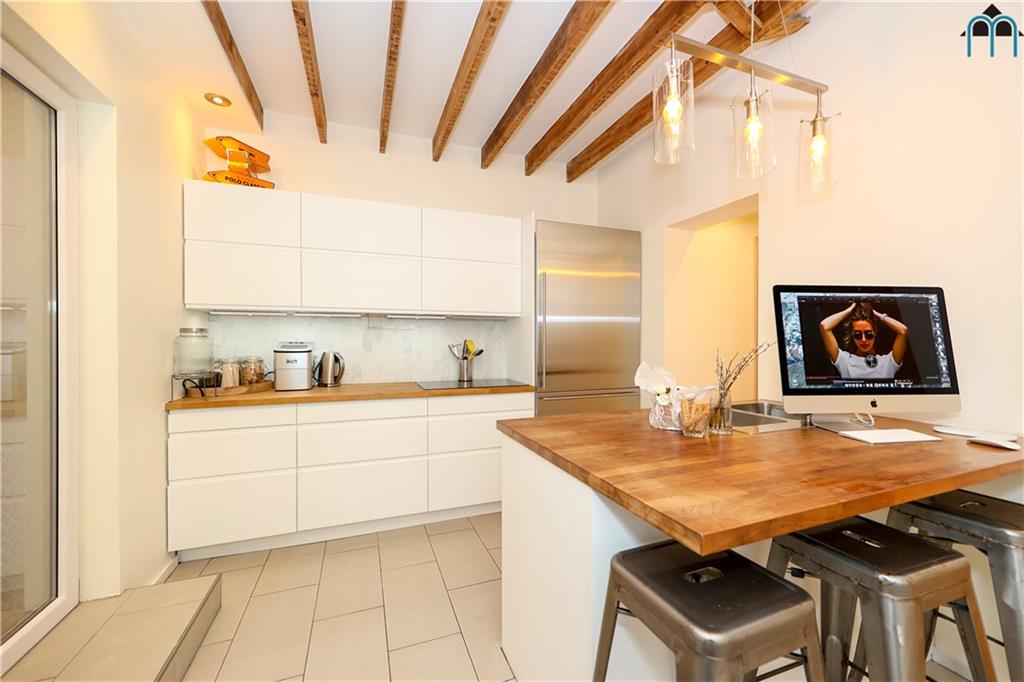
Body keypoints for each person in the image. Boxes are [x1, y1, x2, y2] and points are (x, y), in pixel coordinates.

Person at [819, 302, 908, 379]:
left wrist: (878, 315)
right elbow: (824, 326)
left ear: (875, 331)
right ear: (852, 334)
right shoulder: (844, 360)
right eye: (857, 335)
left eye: (868, 334)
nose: (863, 340)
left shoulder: (888, 362)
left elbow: (903, 331)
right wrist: (849, 311)